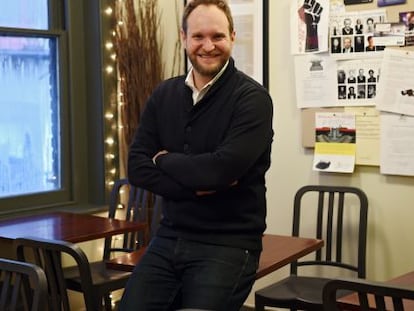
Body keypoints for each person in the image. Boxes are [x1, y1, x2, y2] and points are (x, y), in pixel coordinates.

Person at [119, 1, 274, 310]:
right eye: (198, 36)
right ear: (184, 38)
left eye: (217, 36)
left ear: (232, 36)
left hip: (229, 243)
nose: (208, 46)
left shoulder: (253, 100)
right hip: (169, 235)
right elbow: (136, 166)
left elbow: (218, 172)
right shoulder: (164, 94)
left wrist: (163, 160)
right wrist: (195, 187)